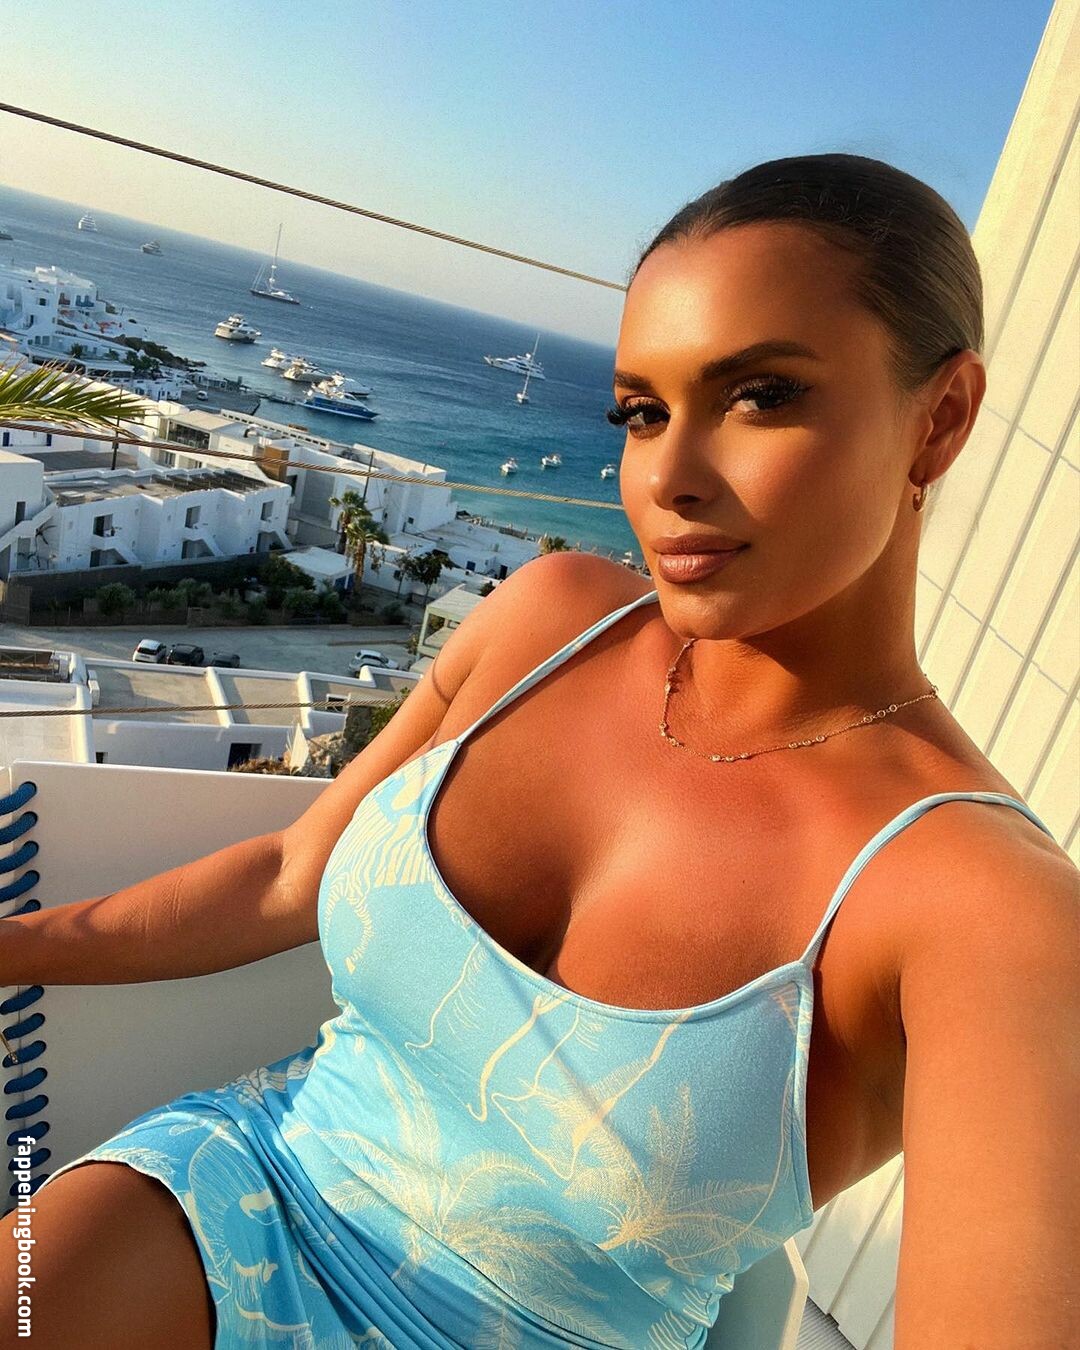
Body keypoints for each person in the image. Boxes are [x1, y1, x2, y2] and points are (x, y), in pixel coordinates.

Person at [1, 153, 1076, 1350]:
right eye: (642, 412)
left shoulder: (981, 905)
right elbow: (289, 876)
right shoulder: (550, 622)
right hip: (244, 1187)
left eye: (762, 395)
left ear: (941, 419)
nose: (668, 478)